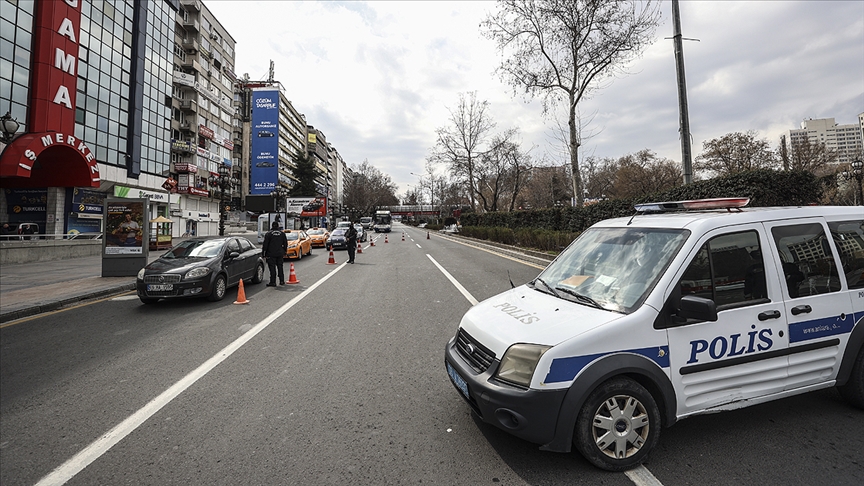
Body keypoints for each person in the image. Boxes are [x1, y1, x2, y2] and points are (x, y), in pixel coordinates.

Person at [262, 221, 288, 286]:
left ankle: (273, 282)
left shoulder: (268, 234)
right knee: (280, 267)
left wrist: (264, 254)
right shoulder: (282, 234)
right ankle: (281, 281)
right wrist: (285, 251)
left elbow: (265, 245)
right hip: (279, 253)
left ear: (272, 226)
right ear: (278, 226)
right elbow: (285, 244)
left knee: (272, 268)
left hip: (271, 253)